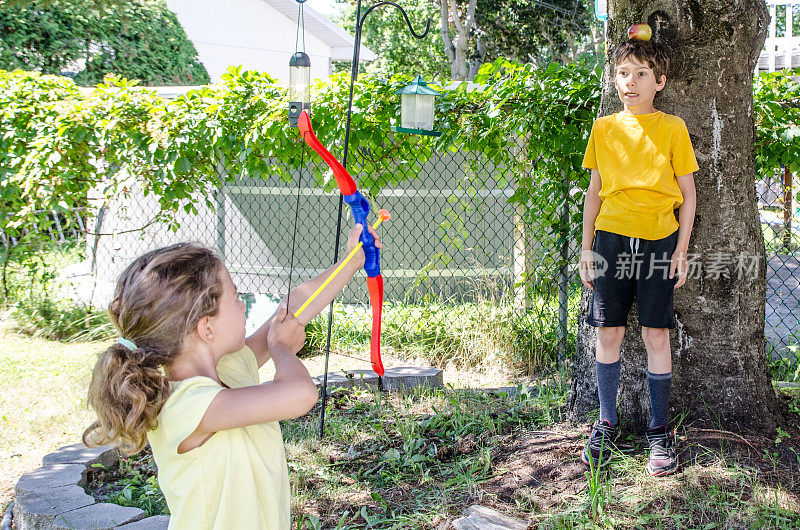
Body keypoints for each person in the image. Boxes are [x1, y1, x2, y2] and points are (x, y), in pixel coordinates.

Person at [83, 224, 382, 529]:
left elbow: (291, 309)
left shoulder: (228, 367)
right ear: (207, 327)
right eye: (236, 297)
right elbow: (301, 394)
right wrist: (281, 348)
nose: (243, 304)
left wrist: (350, 263)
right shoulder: (186, 404)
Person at [578, 36, 698, 477]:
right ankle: (606, 421)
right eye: (624, 73)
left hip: (658, 243)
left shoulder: (673, 128)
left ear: (659, 82)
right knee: (607, 333)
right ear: (616, 78)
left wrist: (681, 251)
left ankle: (659, 430)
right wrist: (587, 249)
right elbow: (593, 194)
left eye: (642, 74)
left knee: (656, 335)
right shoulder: (603, 129)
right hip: (610, 242)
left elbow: (688, 196)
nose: (631, 83)